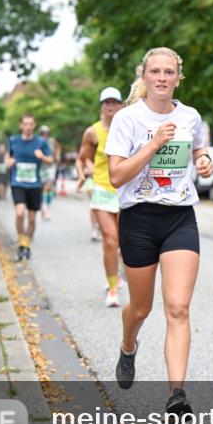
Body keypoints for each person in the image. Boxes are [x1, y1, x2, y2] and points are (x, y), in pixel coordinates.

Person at [105, 47, 212, 416]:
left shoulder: (190, 116)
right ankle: (128, 345)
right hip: (138, 220)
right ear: (145, 77)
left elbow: (198, 148)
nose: (162, 78)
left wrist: (203, 159)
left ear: (178, 77)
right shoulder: (127, 119)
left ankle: (176, 394)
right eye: (155, 71)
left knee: (178, 308)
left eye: (169, 72)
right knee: (140, 308)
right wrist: (153, 144)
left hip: (180, 216)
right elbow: (116, 176)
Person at [76, 86, 126, 307]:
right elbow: (81, 158)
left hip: (125, 191)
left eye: (115, 102)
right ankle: (113, 289)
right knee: (110, 240)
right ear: (102, 107)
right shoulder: (93, 132)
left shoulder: (129, 128)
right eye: (107, 103)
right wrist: (83, 172)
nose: (111, 106)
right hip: (103, 190)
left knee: (124, 243)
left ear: (122, 105)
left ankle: (117, 273)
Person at [7, 114, 53, 261]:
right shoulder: (13, 141)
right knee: (20, 213)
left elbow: (51, 161)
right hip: (18, 183)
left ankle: (27, 245)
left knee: (32, 219)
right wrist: (9, 162)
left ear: (34, 126)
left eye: (30, 124)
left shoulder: (41, 142)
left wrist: (43, 157)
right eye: (25, 124)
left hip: (35, 184)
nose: (27, 127)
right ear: (21, 125)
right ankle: (21, 242)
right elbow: (6, 159)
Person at [38, 126, 61, 220]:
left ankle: (46, 208)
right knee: (43, 188)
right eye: (43, 133)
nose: (45, 134)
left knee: (48, 187)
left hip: (51, 166)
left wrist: (57, 155)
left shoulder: (52, 141)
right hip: (41, 167)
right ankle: (44, 207)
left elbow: (58, 148)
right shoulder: (38, 141)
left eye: (46, 133)